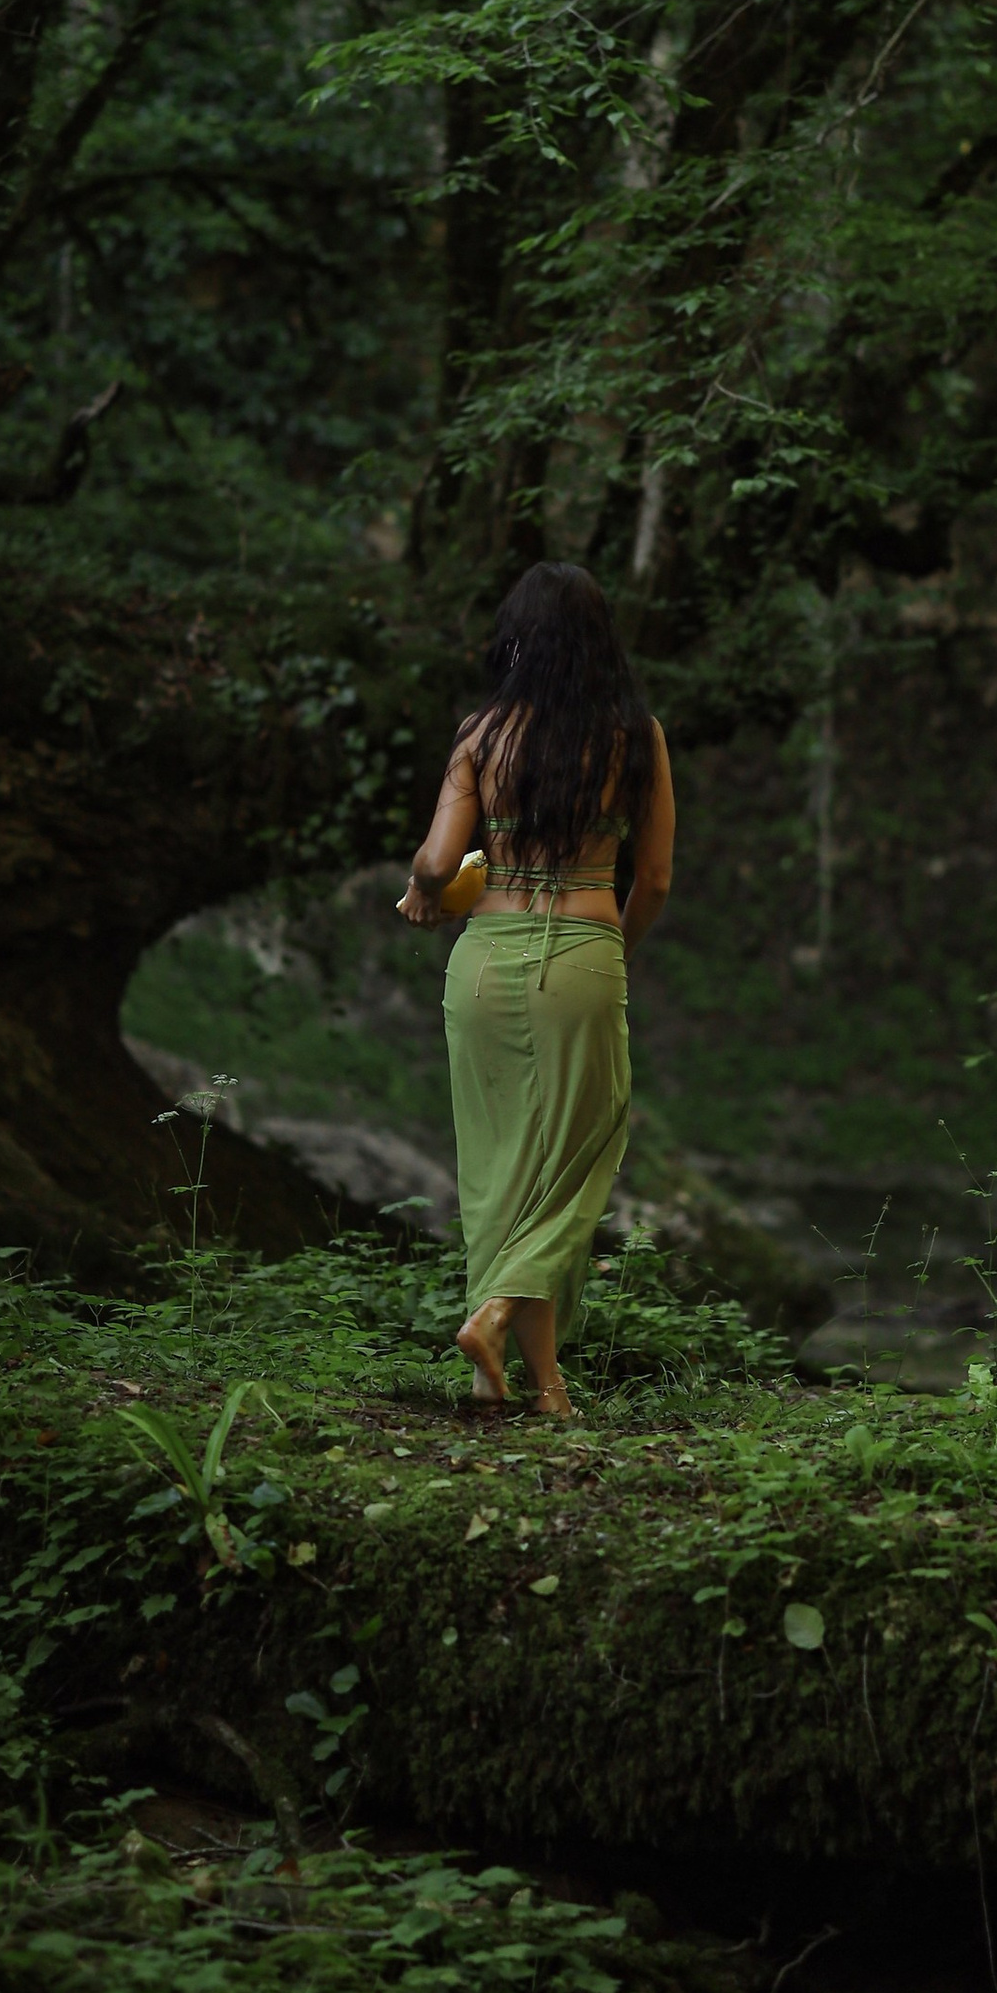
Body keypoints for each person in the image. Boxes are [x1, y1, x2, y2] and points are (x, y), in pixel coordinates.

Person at [397, 562, 675, 1415]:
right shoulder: (637, 734)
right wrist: (607, 952)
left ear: (517, 640)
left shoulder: (481, 735)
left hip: (483, 963)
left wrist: (422, 889)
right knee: (577, 1155)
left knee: (500, 1166)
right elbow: (655, 879)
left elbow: (441, 864)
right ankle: (502, 1326)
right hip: (584, 955)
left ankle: (531, 1381)